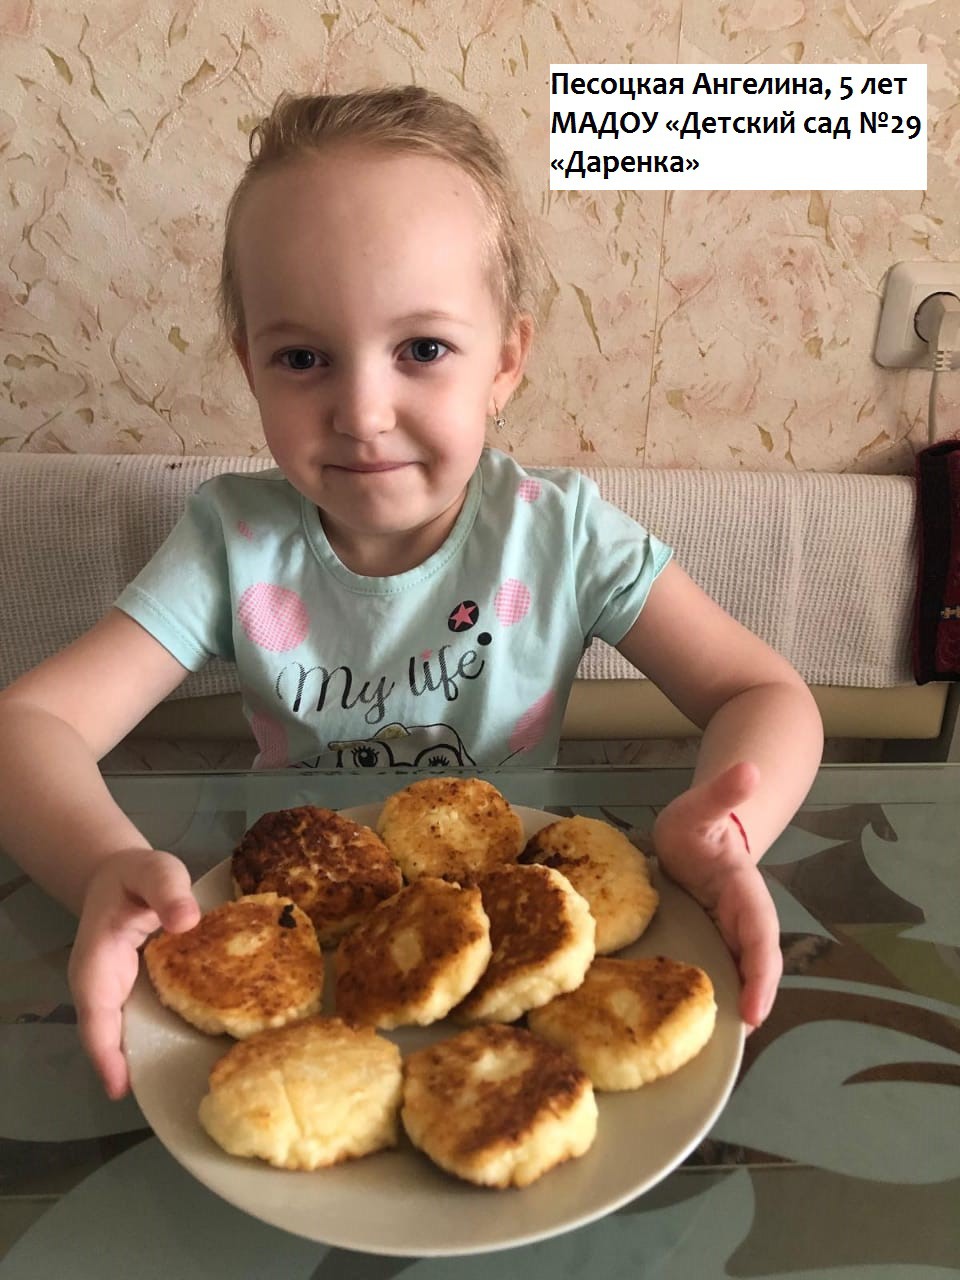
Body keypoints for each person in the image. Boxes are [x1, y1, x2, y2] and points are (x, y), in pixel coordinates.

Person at [0, 85, 823, 1100]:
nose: (362, 411)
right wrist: (101, 867)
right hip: (302, 969)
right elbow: (29, 725)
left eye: (422, 350)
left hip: (519, 963)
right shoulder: (233, 542)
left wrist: (731, 831)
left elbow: (764, 694)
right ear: (250, 369)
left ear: (505, 361)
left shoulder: (558, 534)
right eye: (303, 358)